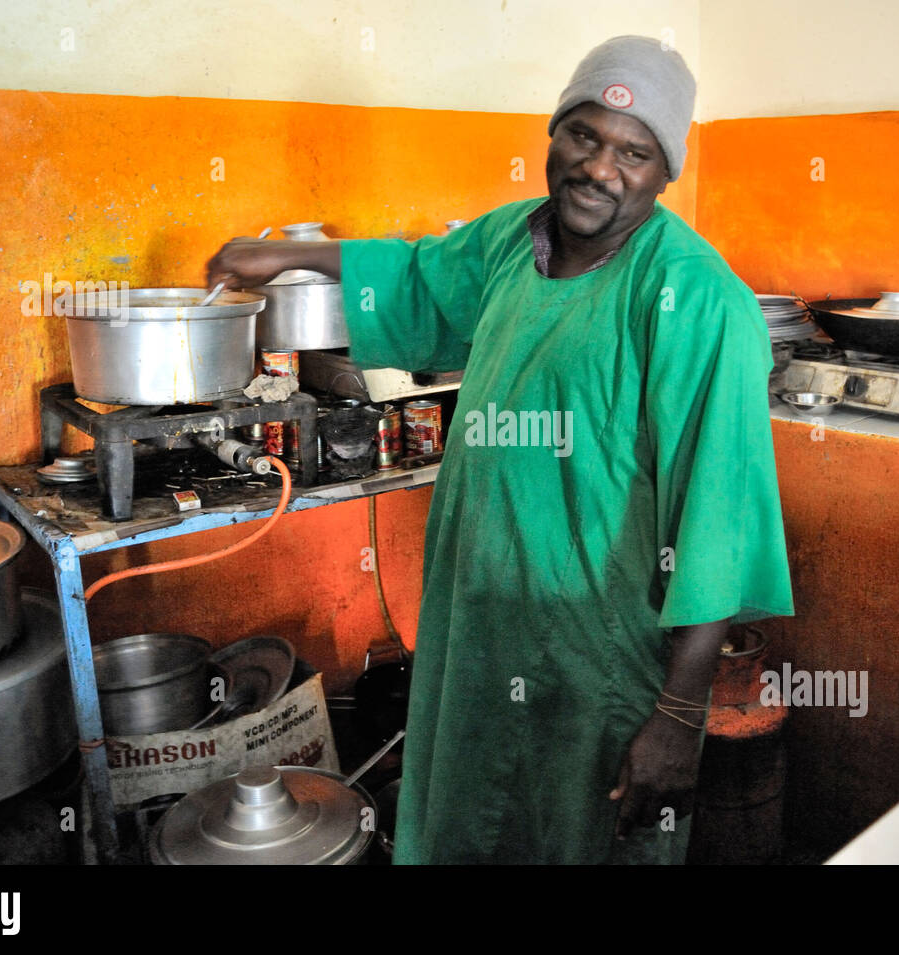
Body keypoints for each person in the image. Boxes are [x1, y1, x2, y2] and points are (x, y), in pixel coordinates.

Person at [206, 35, 794, 864]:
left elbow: (719, 517)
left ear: (667, 175)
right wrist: (290, 255)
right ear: (552, 134)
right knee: (471, 819)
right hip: (479, 631)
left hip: (599, 657)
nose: (599, 168)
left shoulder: (697, 301)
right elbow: (417, 273)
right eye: (583, 135)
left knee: (579, 835)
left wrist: (678, 717)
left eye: (635, 152)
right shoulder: (516, 242)